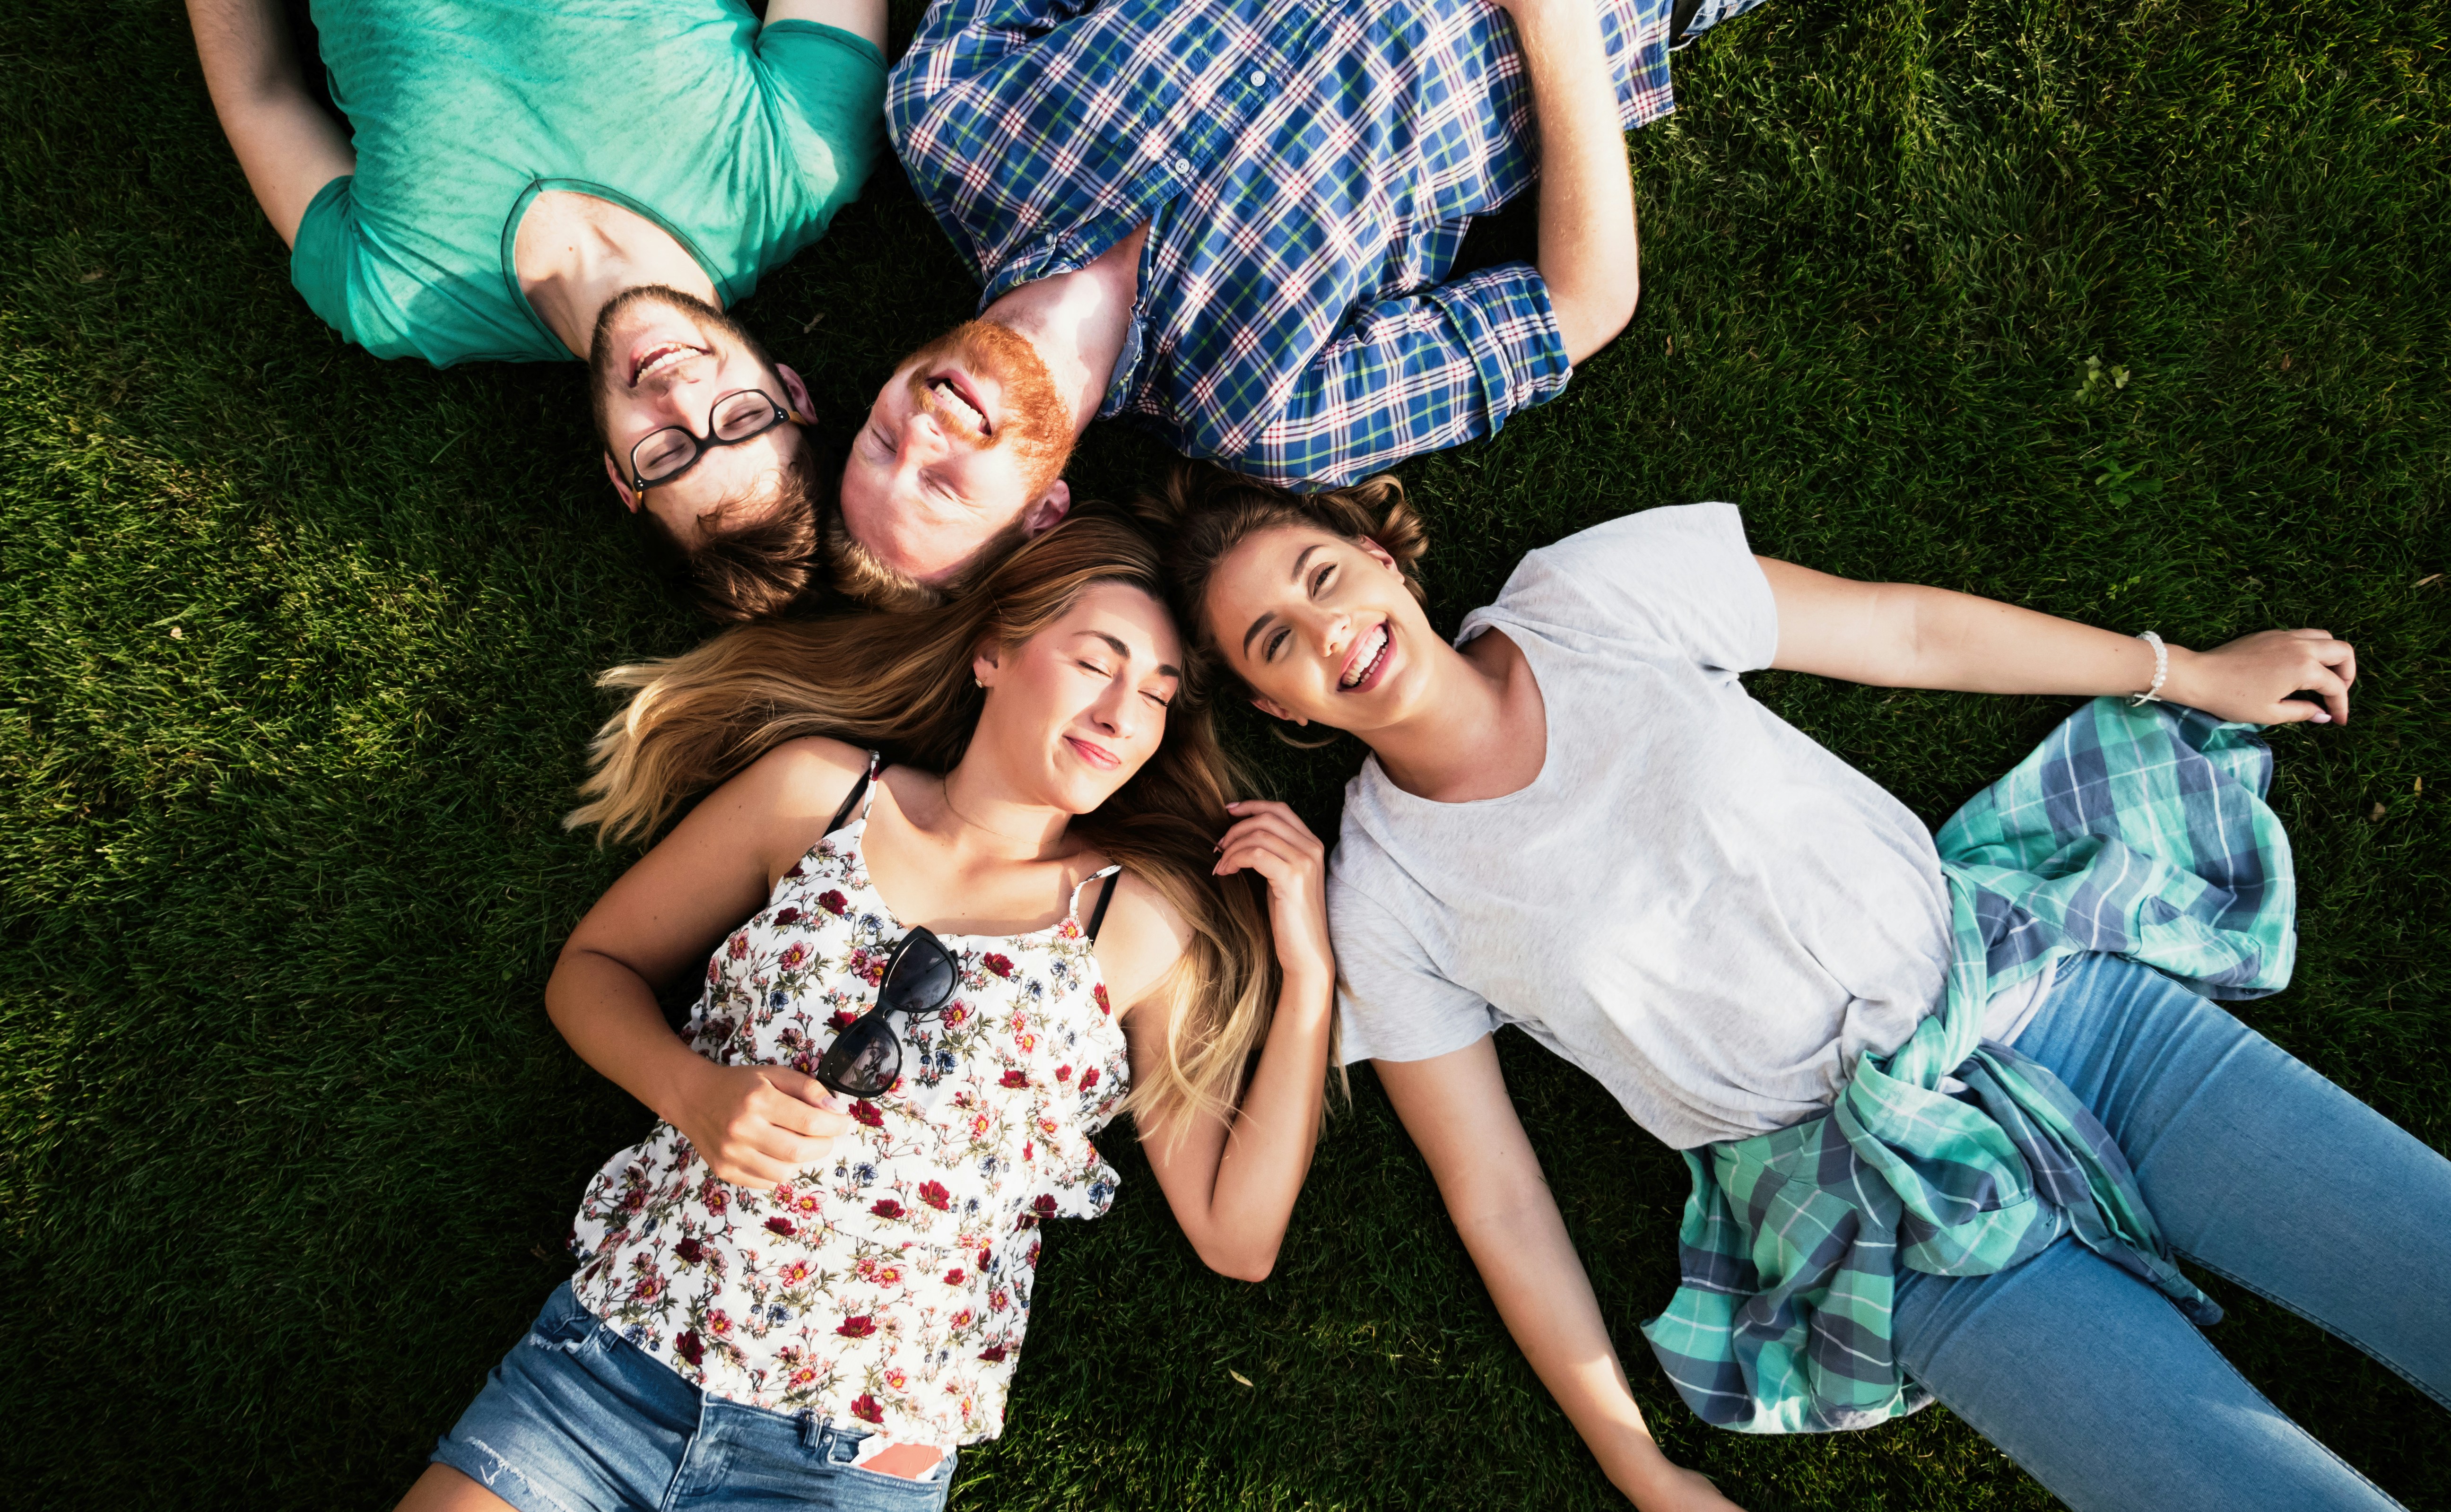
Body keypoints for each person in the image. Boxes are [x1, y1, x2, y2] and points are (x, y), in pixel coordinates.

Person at [1141, 464, 2450, 1512]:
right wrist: (1637, 1465)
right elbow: (1497, 1192)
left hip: (2048, 1006)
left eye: (1322, 576)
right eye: (1278, 640)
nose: (1330, 629)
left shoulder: (1590, 596)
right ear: (1279, 706)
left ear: (1379, 552)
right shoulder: (1383, 894)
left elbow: (1902, 627)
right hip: (1878, 1209)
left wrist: (2188, 671)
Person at [397, 513, 1338, 1510]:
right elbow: (592, 968)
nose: (1122, 714)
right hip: (607, 1374)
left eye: (1156, 696)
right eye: (1096, 664)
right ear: (993, 654)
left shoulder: (1134, 925)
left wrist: (1310, 972)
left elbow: (1239, 1239)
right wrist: (694, 1093)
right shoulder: (818, 795)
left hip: (843, 1467)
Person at [822, 0, 1765, 604]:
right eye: (942, 487)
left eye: (879, 442)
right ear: (1044, 512)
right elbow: (1582, 304)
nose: (921, 435)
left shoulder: (952, 120)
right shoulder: (1269, 415)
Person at [184, 0, 893, 617]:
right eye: (741, 417)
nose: (679, 395)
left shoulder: (394, 294)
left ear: (622, 478)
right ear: (790, 390)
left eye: (670, 452)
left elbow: (260, 94)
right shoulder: (804, 154)